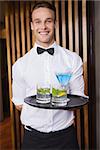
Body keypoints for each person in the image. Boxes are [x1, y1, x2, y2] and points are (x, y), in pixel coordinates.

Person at [12, 1, 86, 150]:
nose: (43, 27)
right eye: (38, 22)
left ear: (55, 24)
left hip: (66, 138)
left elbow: (78, 98)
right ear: (32, 25)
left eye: (48, 21)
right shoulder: (20, 65)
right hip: (33, 139)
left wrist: (59, 100)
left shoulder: (73, 59)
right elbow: (19, 103)